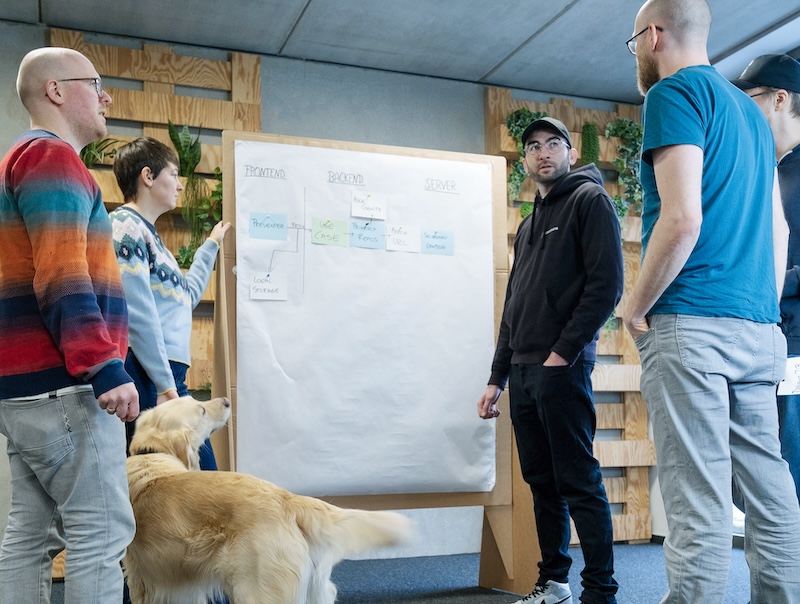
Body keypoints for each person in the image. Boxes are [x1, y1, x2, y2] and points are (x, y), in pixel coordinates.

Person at [624, 1, 800, 602]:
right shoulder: (754, 120)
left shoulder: (672, 95)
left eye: (633, 46)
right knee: (770, 496)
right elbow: (778, 233)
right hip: (758, 329)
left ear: (653, 36)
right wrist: (762, 311)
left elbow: (680, 221)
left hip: (691, 323)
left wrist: (633, 305)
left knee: (696, 499)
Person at [0, 47, 139, 603]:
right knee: (100, 534)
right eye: (95, 84)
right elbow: (61, 275)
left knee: (30, 536)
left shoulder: (19, 161)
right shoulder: (52, 160)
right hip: (67, 389)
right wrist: (105, 367)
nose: (106, 97)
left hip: (26, 392)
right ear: (56, 91)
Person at [478, 116, 623, 604]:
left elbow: (606, 287)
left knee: (579, 480)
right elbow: (513, 304)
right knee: (542, 483)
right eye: (534, 146)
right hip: (522, 371)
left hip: (561, 368)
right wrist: (498, 377)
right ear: (525, 160)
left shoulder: (589, 200)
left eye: (553, 144)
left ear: (569, 152)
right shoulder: (527, 224)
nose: (544, 153)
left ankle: (600, 591)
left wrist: (562, 354)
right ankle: (554, 582)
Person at [109, 137, 230, 470]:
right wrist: (163, 383)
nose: (179, 186)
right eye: (173, 175)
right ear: (148, 176)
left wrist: (211, 245)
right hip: (148, 372)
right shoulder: (125, 226)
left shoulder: (152, 239)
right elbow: (136, 312)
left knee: (188, 480)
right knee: (189, 480)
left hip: (165, 372)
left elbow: (187, 296)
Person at [733, 53, 800, 503]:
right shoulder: (761, 172)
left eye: (748, 101)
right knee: (757, 484)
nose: (741, 114)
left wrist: (773, 284)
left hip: (795, 347)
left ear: (779, 99)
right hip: (758, 340)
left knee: (789, 475)